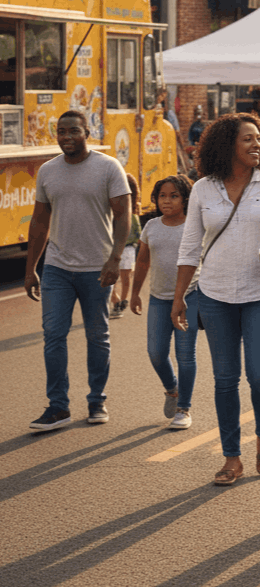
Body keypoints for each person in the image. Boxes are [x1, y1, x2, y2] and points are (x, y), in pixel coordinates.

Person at [173, 114, 260, 485]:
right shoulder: (203, 189)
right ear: (228, 144)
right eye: (248, 139)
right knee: (225, 380)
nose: (257, 144)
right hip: (214, 295)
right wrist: (179, 297)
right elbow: (189, 246)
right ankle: (232, 457)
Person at [25, 110, 131, 432]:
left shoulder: (108, 167)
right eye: (61, 131)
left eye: (73, 130)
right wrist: (31, 268)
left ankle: (97, 400)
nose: (66, 136)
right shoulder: (47, 171)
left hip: (96, 269)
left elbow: (124, 215)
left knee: (97, 336)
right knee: (53, 336)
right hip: (57, 266)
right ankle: (58, 407)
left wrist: (115, 259)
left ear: (87, 131)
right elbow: (40, 221)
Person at [130, 175, 198, 430]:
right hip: (158, 298)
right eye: (162, 196)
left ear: (185, 199)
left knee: (185, 355)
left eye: (174, 196)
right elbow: (143, 261)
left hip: (190, 298)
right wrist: (135, 292)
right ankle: (172, 390)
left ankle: (184, 408)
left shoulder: (194, 226)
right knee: (156, 352)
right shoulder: (151, 227)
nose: (167, 201)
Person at [110, 173, 142, 319]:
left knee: (125, 276)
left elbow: (138, 234)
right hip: (112, 248)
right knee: (110, 278)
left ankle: (122, 301)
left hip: (128, 248)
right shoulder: (110, 212)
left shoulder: (133, 213)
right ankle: (116, 299)